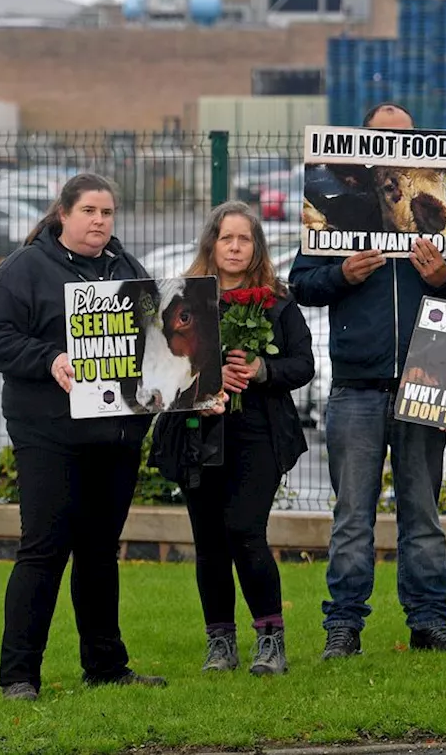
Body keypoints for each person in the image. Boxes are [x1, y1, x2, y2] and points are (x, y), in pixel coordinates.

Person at [0, 172, 197, 700]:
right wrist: (48, 358)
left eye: (108, 213)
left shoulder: (128, 270)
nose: (100, 221)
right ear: (64, 214)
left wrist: (184, 375)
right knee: (44, 550)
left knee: (99, 552)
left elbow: (156, 341)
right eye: (90, 211)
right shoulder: (25, 269)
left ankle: (105, 665)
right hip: (48, 432)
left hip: (116, 435)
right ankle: (19, 676)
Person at [289, 102, 446, 659]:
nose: (393, 146)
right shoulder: (337, 211)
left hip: (427, 381)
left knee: (422, 513)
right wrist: (342, 274)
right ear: (363, 147)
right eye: (381, 138)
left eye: (402, 138)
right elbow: (301, 284)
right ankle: (343, 626)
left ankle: (429, 623)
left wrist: (444, 277)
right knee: (353, 513)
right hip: (357, 384)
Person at [148, 202, 315, 677]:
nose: (236, 247)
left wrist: (263, 370)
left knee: (245, 530)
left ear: (256, 247)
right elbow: (162, 367)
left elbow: (304, 366)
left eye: (244, 239)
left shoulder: (278, 302)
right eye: (227, 238)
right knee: (209, 541)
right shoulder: (184, 302)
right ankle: (220, 642)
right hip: (198, 435)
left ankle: (271, 640)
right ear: (212, 245)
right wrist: (207, 378)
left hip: (258, 434)